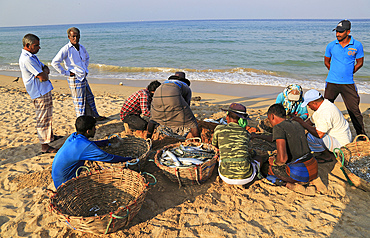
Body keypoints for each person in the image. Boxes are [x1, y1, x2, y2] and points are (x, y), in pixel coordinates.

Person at [252, 104, 321, 195]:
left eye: (269, 119)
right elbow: (275, 137)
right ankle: (311, 183)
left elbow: (282, 159)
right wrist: (258, 136)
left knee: (265, 168)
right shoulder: (296, 124)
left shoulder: (278, 127)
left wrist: (274, 161)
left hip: (300, 173)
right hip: (313, 167)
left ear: (272, 116)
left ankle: (291, 185)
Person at [51, 116, 132, 189]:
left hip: (57, 177)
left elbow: (90, 145)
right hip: (64, 184)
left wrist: (107, 141)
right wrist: (129, 159)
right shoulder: (85, 146)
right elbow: (109, 158)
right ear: (88, 131)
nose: (95, 129)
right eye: (94, 128)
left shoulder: (74, 137)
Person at [51, 27, 106, 121]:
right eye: (73, 36)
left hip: (83, 76)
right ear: (69, 37)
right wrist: (66, 73)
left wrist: (85, 69)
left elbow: (87, 57)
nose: (75, 38)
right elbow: (54, 62)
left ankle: (94, 116)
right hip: (75, 78)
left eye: (77, 36)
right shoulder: (66, 49)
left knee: (89, 97)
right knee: (79, 102)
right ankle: (81, 121)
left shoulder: (81, 47)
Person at [324, 19, 366, 136]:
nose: (338, 34)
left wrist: (350, 72)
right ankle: (322, 131)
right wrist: (334, 72)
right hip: (332, 82)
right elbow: (327, 61)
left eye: (341, 32)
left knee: (354, 111)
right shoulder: (331, 45)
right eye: (336, 31)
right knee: (326, 108)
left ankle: (361, 135)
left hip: (348, 83)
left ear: (348, 32)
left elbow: (360, 62)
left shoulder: (357, 45)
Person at [19, 34, 58, 154]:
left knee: (47, 116)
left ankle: (49, 137)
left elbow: (45, 68)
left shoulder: (32, 56)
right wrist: (44, 72)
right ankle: (45, 147)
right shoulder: (28, 59)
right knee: (43, 118)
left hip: (43, 90)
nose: (39, 48)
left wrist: (44, 71)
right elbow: (43, 76)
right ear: (28, 45)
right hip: (39, 92)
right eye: (36, 45)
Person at [212, 103, 265, 186]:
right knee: (259, 158)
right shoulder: (245, 133)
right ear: (242, 120)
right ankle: (256, 176)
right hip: (246, 177)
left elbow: (214, 146)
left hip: (225, 176)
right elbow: (248, 151)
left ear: (227, 117)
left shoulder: (219, 130)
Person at [292, 89, 352, 163]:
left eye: (309, 105)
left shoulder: (325, 112)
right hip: (338, 138)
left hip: (342, 145)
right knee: (310, 132)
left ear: (314, 103)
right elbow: (311, 121)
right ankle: (327, 150)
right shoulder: (324, 104)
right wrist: (298, 127)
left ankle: (327, 156)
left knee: (310, 137)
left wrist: (303, 124)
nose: (309, 107)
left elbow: (319, 134)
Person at [147, 72, 200, 139]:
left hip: (158, 92)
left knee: (153, 119)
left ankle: (148, 138)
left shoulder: (166, 82)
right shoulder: (185, 86)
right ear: (184, 80)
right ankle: (198, 142)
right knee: (192, 123)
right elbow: (186, 104)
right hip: (173, 93)